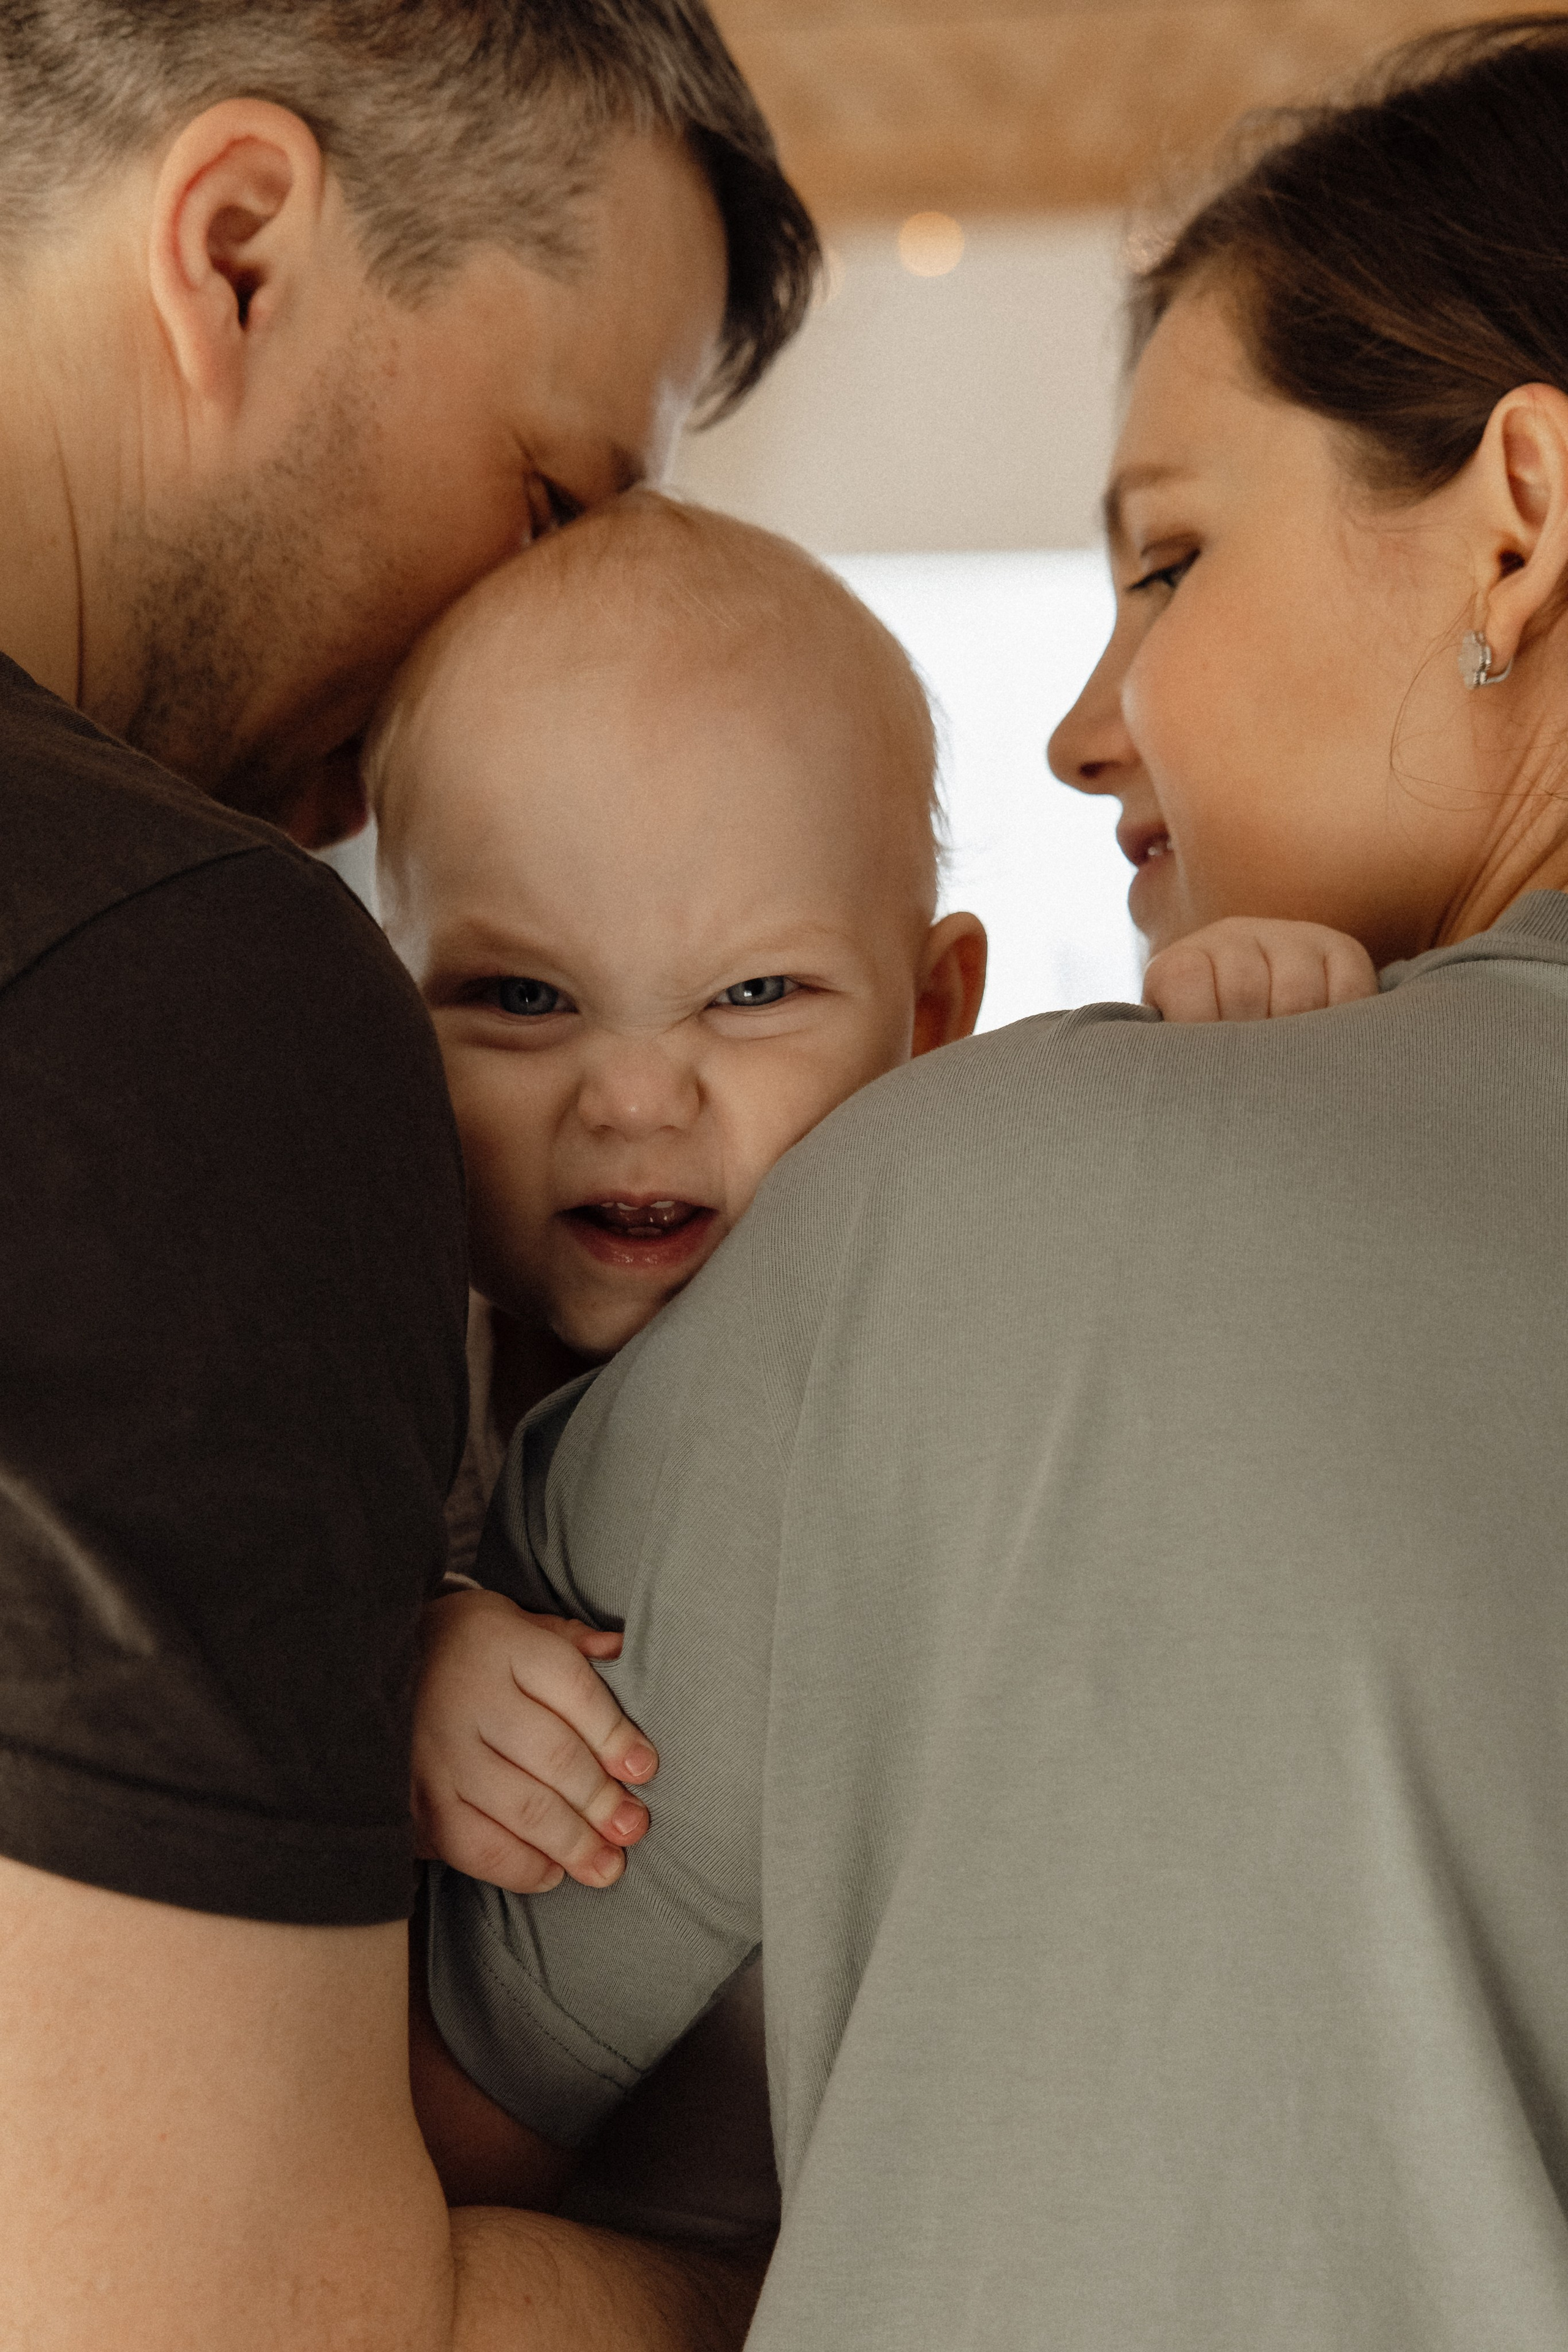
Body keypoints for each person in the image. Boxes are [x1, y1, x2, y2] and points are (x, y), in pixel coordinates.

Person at [413, 21, 1568, 2346]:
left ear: (1519, 518)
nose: (1080, 726)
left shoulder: (990, 1206)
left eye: (1171, 561)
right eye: (516, 998)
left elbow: (306, 2186)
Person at [0, 4, 819, 2346]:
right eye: (551, 501)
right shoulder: (181, 984)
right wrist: (846, 2266)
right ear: (241, 248)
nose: (514, 651)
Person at [368, 489, 1374, 2240]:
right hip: (553, 2237)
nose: (634, 1098)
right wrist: (401, 1656)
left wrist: (1232, 1043)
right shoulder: (376, 1370)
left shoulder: (939, 1276)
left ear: (934, 1016)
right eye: (523, 1001)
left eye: (753, 996)